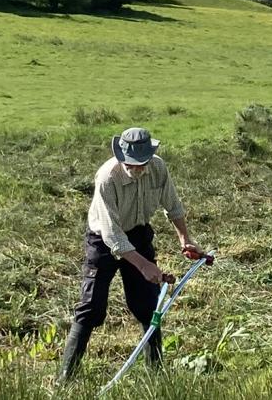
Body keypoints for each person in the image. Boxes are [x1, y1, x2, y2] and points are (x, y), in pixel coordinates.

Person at [59, 127, 206, 381]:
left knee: (148, 306)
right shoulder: (107, 178)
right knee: (91, 308)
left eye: (142, 164)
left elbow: (172, 204)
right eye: (131, 164)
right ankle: (65, 379)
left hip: (138, 233)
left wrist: (185, 238)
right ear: (121, 157)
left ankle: (156, 375)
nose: (137, 169)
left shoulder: (158, 168)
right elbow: (113, 236)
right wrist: (145, 266)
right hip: (103, 241)